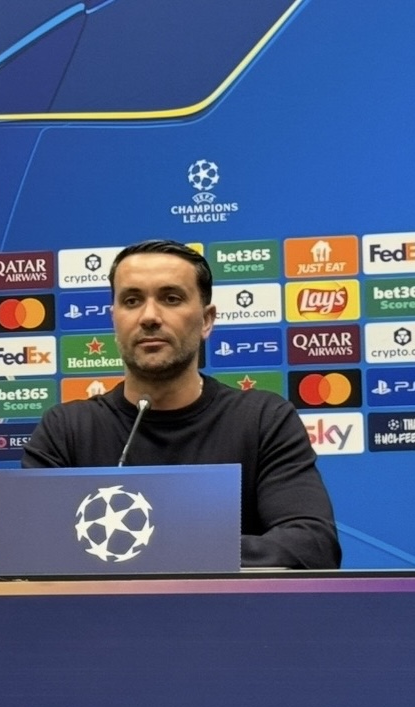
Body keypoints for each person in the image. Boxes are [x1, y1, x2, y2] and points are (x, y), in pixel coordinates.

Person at [22, 239, 341, 569]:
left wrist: (148, 544)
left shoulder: (263, 420)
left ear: (206, 320)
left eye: (171, 298)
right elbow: (15, 544)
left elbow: (312, 546)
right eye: (132, 301)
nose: (149, 316)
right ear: (114, 319)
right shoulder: (67, 429)